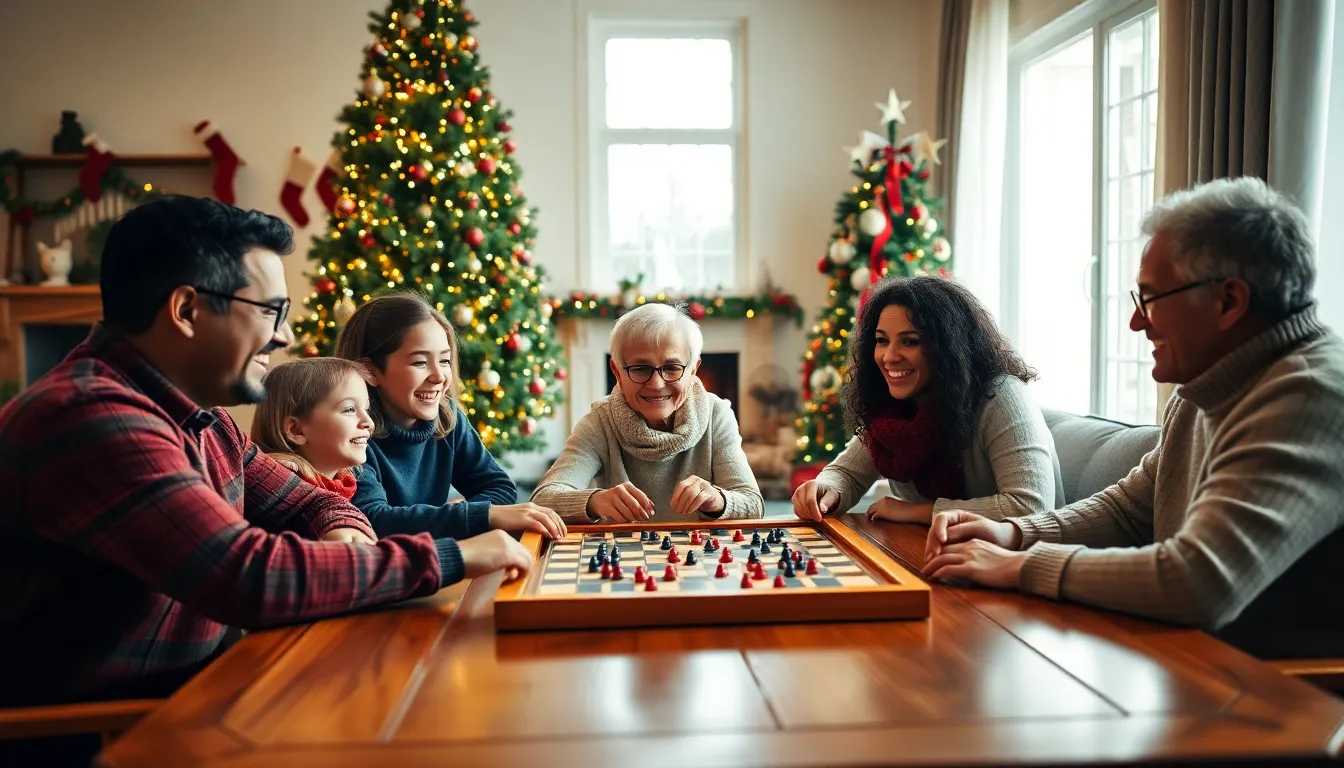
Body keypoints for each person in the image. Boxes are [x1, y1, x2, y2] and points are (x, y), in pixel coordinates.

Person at [0, 197, 532, 744]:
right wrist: (454, 555)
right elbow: (247, 576)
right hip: (103, 732)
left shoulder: (205, 421)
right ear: (186, 310)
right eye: (269, 312)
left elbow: (310, 500)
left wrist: (344, 532)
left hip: (198, 694)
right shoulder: (94, 419)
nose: (282, 336)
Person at [922, 177, 1344, 659]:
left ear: (1229, 300)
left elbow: (1199, 582)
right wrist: (1013, 533)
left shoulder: (1309, 393)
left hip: (1288, 699)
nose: (1136, 322)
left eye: (1149, 298)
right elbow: (1128, 511)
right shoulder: (1205, 388)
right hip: (1197, 665)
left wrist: (1019, 566)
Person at [793, 275, 1063, 525]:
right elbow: (847, 473)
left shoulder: (1002, 395)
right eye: (881, 340)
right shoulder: (894, 404)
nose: (889, 356)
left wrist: (918, 511)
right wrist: (825, 490)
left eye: (909, 342)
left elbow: (1031, 508)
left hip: (1017, 565)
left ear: (948, 348)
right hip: (935, 556)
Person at [334, 293, 565, 540]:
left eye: (444, 360)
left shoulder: (446, 416)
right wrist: (476, 515)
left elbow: (499, 487)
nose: (439, 376)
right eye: (420, 363)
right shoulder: (351, 432)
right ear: (370, 371)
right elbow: (372, 519)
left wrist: (461, 513)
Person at [531, 302, 765, 523]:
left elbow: (753, 504)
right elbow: (542, 500)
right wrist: (594, 501)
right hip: (620, 561)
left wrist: (718, 499)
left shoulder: (717, 414)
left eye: (672, 368)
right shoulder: (600, 422)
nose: (656, 384)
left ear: (693, 370)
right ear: (617, 371)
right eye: (640, 369)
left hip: (700, 559)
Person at [251, 357, 375, 500]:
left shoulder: (347, 481)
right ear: (295, 430)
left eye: (367, 410)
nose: (369, 422)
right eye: (349, 409)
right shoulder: (277, 486)